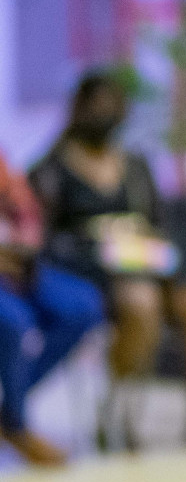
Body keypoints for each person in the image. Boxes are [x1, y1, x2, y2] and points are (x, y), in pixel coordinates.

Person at [29, 73, 186, 446]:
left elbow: (160, 223)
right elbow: (46, 242)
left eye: (114, 105)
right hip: (97, 272)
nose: (107, 113)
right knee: (141, 303)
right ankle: (119, 409)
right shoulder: (50, 169)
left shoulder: (136, 165)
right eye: (98, 104)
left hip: (152, 262)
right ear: (78, 108)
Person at [0, 153, 104, 465]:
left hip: (17, 263)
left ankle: (8, 411)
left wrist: (24, 246)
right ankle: (17, 424)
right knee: (13, 321)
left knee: (82, 305)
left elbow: (24, 206)